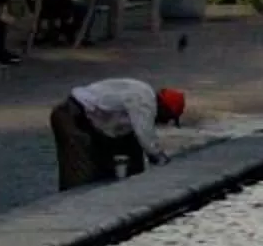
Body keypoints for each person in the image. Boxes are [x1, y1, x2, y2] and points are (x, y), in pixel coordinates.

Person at [50, 78, 186, 189]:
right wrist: (159, 157)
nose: (165, 122)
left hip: (88, 117)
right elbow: (145, 136)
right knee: (80, 174)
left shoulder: (141, 97)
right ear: (163, 107)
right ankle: (72, 207)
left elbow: (124, 134)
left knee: (109, 166)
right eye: (168, 117)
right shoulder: (145, 101)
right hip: (72, 116)